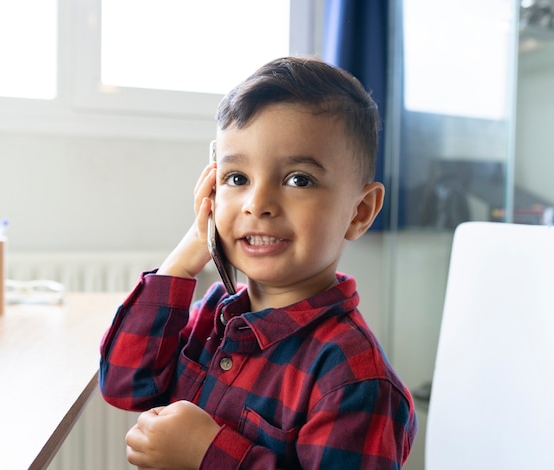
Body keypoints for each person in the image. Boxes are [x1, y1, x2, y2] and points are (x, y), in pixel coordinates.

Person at [99, 56, 417, 469]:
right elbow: (125, 384)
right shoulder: (216, 312)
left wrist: (206, 455)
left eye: (298, 179)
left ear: (359, 212)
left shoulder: (354, 379)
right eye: (237, 179)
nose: (258, 204)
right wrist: (189, 253)